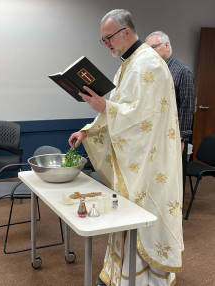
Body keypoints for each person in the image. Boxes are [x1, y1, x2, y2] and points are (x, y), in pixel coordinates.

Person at [68, 9, 184, 286]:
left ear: (125, 32)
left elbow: (142, 116)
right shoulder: (128, 64)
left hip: (149, 160)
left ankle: (145, 280)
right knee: (125, 213)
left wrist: (105, 106)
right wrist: (87, 130)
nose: (106, 44)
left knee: (142, 213)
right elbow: (121, 106)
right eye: (103, 40)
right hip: (135, 155)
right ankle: (120, 274)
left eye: (108, 38)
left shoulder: (150, 64)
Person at [145, 31, 195, 193]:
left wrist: (181, 139)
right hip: (154, 133)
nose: (150, 51)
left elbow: (187, 107)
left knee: (170, 179)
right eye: (148, 48)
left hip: (173, 135)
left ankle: (172, 213)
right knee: (155, 177)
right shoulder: (152, 71)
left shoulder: (182, 72)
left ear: (166, 46)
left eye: (154, 47)